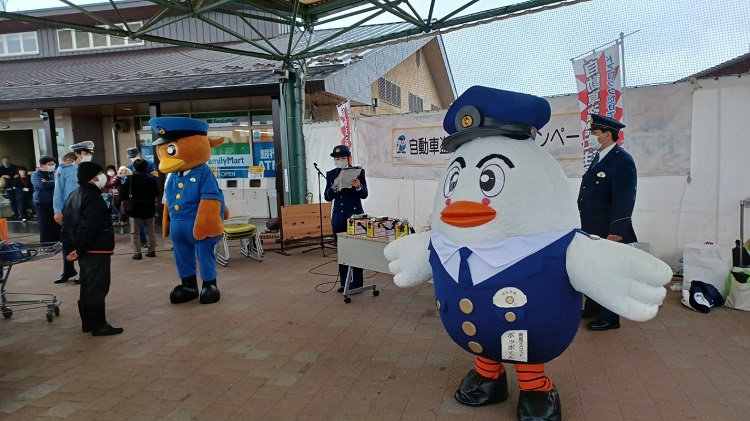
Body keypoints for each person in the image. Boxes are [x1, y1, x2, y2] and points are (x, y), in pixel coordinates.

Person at [578, 114, 638, 331]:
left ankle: (610, 317)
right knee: (594, 271)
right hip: (592, 227)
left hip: (608, 229)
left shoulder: (621, 160)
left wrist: (617, 230)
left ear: (607, 134)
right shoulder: (600, 156)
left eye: (594, 133)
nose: (591, 137)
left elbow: (624, 198)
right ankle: (593, 307)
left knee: (609, 274)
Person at [62, 161, 122, 336]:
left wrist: (75, 248)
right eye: (100, 173)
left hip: (85, 250)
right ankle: (99, 325)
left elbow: (68, 224)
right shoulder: (93, 197)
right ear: (92, 177)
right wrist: (80, 249)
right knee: (98, 287)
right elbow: (90, 226)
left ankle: (87, 322)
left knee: (87, 285)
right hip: (96, 249)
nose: (103, 177)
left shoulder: (75, 194)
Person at [324, 145, 368, 293]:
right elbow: (327, 196)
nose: (340, 161)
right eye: (337, 158)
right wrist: (333, 188)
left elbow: (364, 194)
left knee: (355, 250)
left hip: (355, 217)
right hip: (338, 217)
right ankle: (345, 283)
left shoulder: (357, 172)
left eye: (343, 158)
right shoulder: (331, 174)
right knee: (343, 252)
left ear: (348, 158)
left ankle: (357, 283)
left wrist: (358, 186)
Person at [53, 141, 95, 284]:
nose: (88, 156)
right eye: (85, 153)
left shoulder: (91, 169)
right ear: (77, 154)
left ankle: (84, 272)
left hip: (86, 209)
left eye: (89, 154)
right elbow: (58, 191)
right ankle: (68, 270)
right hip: (69, 210)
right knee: (67, 241)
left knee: (83, 240)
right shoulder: (64, 170)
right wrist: (57, 210)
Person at [126, 159, 159, 260]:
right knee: (151, 231)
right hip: (149, 207)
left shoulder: (131, 178)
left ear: (134, 167)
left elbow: (124, 192)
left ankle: (137, 253)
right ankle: (151, 251)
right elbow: (157, 192)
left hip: (135, 208)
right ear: (146, 167)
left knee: (135, 232)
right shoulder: (151, 178)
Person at [32, 156, 59, 243]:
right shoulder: (36, 174)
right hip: (42, 202)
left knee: (56, 223)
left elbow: (60, 182)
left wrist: (48, 182)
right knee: (44, 224)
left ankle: (57, 242)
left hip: (54, 201)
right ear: (42, 165)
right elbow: (41, 185)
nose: (52, 166)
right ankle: (46, 244)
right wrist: (54, 181)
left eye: (53, 164)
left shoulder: (55, 173)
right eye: (49, 164)